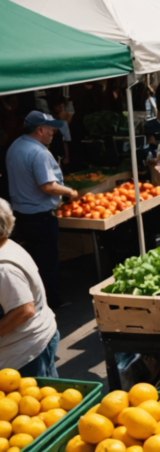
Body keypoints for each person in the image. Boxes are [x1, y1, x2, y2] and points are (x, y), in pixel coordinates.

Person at [6, 111, 76, 307]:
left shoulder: (15, 146)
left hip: (22, 215)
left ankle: (36, 300)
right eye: (50, 128)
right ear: (39, 129)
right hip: (41, 217)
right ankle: (52, 302)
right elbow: (48, 186)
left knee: (33, 261)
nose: (53, 131)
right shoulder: (38, 152)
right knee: (48, 263)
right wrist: (71, 192)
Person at [0, 199, 59, 377]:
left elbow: (24, 310)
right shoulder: (7, 245)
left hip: (27, 352)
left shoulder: (4, 267)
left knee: (38, 401)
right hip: (22, 347)